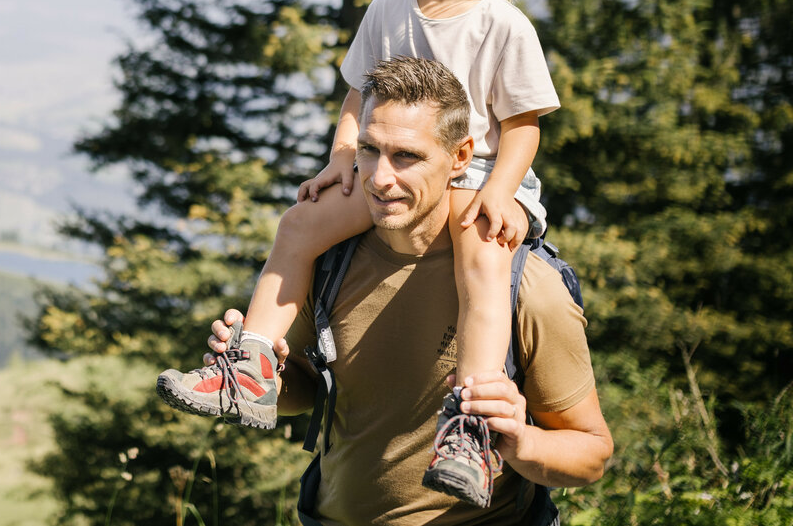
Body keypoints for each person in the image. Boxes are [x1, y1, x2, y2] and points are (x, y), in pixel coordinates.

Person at [157, 0, 561, 506]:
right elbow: (356, 100)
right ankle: (252, 366)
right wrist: (343, 157)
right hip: (390, 166)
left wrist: (500, 190)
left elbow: (523, 124)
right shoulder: (387, 11)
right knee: (300, 224)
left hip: (480, 170)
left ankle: (470, 428)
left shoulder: (500, 24)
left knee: (485, 264)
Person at [212, 56, 612, 523]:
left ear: (460, 157)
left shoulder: (524, 287)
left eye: (407, 156)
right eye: (368, 150)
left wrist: (519, 440)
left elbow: (591, 454)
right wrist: (264, 375)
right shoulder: (328, 262)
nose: (380, 178)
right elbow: (302, 390)